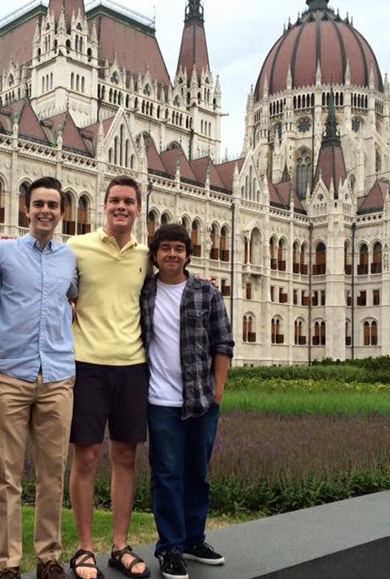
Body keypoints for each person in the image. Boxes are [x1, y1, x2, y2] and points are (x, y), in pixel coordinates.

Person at [0, 177, 77, 579]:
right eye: (38, 204)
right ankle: (8, 562)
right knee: (7, 476)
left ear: (61, 212)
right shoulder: (2, 251)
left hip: (56, 375)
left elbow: (74, 297)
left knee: (53, 472)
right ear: (26, 209)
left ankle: (48, 557)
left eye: (52, 205)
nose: (45, 211)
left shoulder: (69, 258)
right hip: (9, 375)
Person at [67, 175, 151, 579]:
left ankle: (120, 545)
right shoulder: (77, 246)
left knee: (124, 457)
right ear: (105, 205)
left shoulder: (145, 256)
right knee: (85, 457)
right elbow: (40, 258)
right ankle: (84, 548)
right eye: (115, 200)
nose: (121, 207)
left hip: (132, 366)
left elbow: (169, 284)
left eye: (129, 201)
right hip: (86, 364)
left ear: (138, 208)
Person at [139, 224, 233, 579]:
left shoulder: (206, 293)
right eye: (165, 249)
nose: (172, 254)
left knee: (197, 472)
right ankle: (170, 548)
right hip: (161, 400)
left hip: (202, 399)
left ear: (188, 254)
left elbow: (223, 343)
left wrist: (217, 391)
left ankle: (194, 539)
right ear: (155, 254)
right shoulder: (144, 292)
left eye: (179, 248)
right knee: (166, 476)